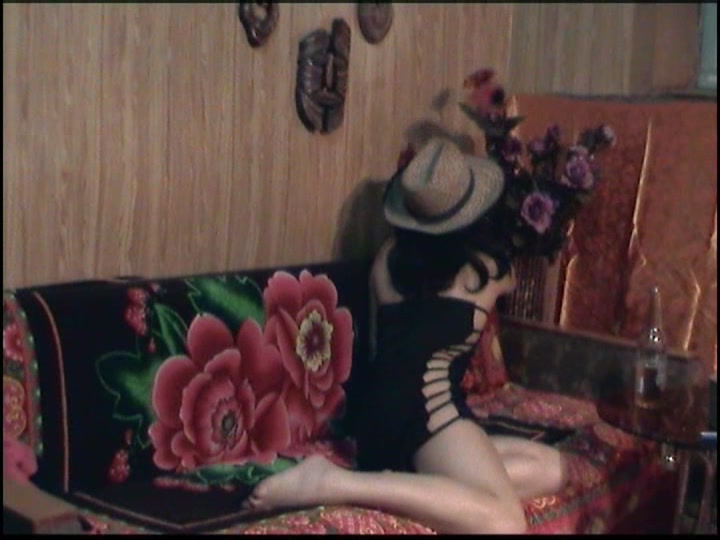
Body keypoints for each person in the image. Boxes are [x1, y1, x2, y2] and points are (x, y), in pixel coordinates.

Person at [243, 138, 569, 534]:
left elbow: (381, 348)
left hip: (376, 424)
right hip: (432, 417)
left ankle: (412, 487)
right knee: (504, 523)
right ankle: (333, 483)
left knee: (552, 468)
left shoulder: (386, 261)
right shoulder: (490, 272)